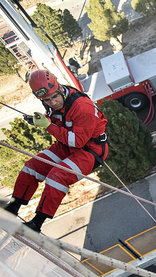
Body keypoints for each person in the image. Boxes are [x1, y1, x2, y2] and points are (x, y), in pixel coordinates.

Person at [3, 69, 108, 232]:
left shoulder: (81, 106)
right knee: (32, 166)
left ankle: (37, 223)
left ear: (59, 87)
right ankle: (13, 207)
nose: (53, 102)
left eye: (55, 97)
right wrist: (43, 121)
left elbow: (78, 141)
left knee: (57, 175)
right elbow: (60, 121)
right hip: (66, 145)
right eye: (47, 100)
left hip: (89, 151)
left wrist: (48, 126)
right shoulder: (51, 101)